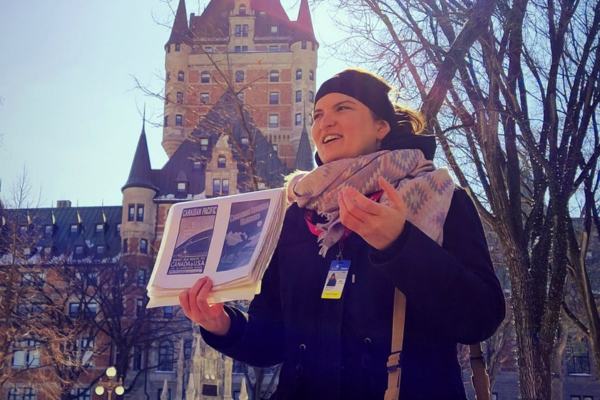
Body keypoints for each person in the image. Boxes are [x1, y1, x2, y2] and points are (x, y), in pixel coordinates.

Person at [179, 68, 506, 400]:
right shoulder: (295, 215)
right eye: (318, 114)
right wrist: (222, 325)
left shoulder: (439, 195)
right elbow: (274, 343)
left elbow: (480, 316)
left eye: (343, 108)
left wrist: (401, 244)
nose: (325, 122)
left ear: (382, 126)